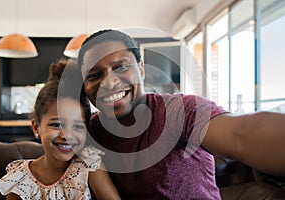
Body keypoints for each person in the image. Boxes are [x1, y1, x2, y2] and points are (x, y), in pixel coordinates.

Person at [76, 29, 285, 199]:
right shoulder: (89, 132)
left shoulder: (180, 111)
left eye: (121, 67)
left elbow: (239, 134)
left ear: (141, 69)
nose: (109, 83)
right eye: (94, 75)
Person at [0, 59, 121, 200]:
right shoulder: (19, 178)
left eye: (78, 126)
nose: (67, 135)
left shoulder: (89, 165)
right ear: (37, 128)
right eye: (57, 125)